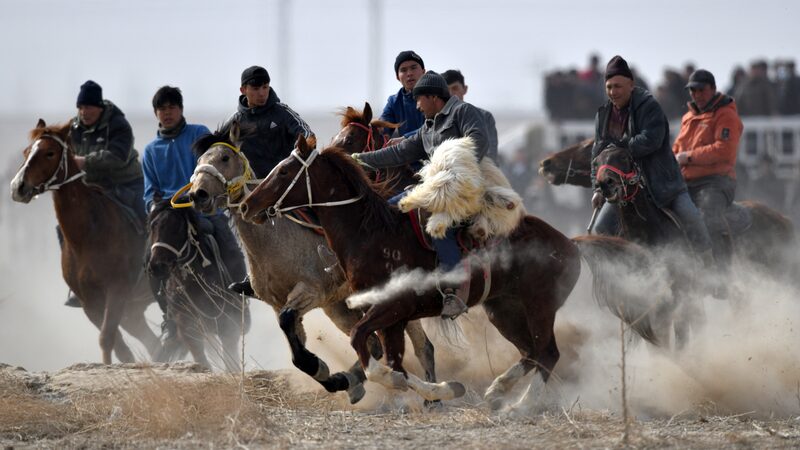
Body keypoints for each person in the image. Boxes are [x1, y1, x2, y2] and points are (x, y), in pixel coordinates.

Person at [353, 71, 490, 319]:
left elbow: (479, 141)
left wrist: (454, 172)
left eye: (419, 100)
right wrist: (357, 161)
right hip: (433, 188)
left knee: (436, 223)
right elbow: (399, 153)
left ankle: (454, 290)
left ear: (432, 97)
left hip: (463, 190)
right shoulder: (428, 126)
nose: (416, 105)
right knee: (388, 210)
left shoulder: (464, 112)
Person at [142, 86, 248, 336]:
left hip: (203, 208)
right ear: (156, 113)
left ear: (180, 109)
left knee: (229, 247)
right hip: (169, 214)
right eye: (162, 109)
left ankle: (239, 303)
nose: (167, 113)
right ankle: (169, 316)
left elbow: (214, 167)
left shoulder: (198, 134)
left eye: (172, 107)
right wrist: (156, 208)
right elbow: (149, 192)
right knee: (150, 260)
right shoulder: (150, 151)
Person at [590, 56, 715, 266]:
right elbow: (598, 155)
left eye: (618, 86)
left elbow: (651, 140)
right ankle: (613, 277)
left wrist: (620, 147)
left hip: (662, 184)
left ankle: (709, 266)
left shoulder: (649, 107)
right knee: (599, 230)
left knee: (690, 215)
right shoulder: (603, 116)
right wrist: (597, 187)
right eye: (609, 87)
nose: (613, 92)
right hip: (623, 188)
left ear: (631, 85)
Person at [223, 65, 314, 294]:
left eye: (265, 87)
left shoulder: (282, 112)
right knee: (238, 217)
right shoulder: (235, 121)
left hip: (287, 184)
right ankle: (252, 275)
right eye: (256, 88)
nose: (262, 93)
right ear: (243, 89)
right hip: (254, 189)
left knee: (313, 209)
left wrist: (300, 149)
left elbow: (308, 135)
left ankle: (327, 255)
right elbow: (222, 153)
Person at [62, 80, 146, 307]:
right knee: (64, 227)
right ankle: (77, 283)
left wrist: (84, 161)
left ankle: (149, 271)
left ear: (99, 107)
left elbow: (118, 156)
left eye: (88, 107)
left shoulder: (118, 124)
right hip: (93, 188)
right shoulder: (74, 129)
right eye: (80, 107)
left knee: (145, 216)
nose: (84, 112)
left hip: (127, 182)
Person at [673, 70, 743, 275]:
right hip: (686, 182)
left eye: (701, 89)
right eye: (692, 90)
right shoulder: (688, 117)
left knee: (708, 214)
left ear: (712, 89)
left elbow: (725, 150)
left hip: (717, 182)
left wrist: (689, 157)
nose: (696, 94)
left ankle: (721, 274)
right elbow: (677, 148)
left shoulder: (726, 115)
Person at [441, 69, 499, 163]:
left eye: (455, 88)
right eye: (447, 90)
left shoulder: (484, 117)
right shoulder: (437, 120)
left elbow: (490, 155)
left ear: (465, 89)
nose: (451, 94)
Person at [380, 51, 426, 142]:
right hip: (408, 154)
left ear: (423, 71)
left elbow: (434, 127)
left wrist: (406, 138)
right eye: (403, 70)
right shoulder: (394, 102)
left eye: (413, 68)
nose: (409, 73)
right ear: (397, 77)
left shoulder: (435, 95)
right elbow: (381, 130)